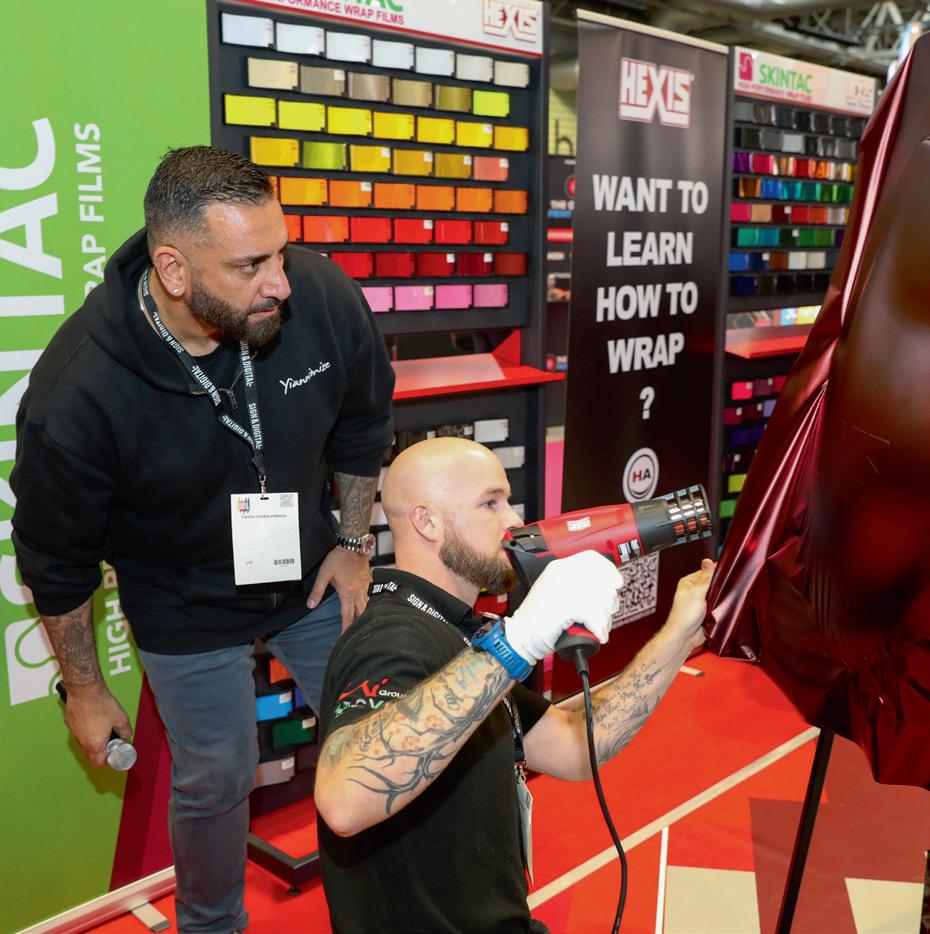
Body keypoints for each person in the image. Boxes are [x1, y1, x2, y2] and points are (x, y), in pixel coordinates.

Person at [11, 146, 395, 933]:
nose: (281, 282)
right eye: (251, 265)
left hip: (310, 572)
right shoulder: (78, 391)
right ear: (174, 270)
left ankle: (398, 906)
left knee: (382, 731)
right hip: (180, 600)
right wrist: (84, 689)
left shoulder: (320, 298)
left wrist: (354, 542)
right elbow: (56, 562)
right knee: (217, 776)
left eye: (280, 252)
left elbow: (363, 423)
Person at [314, 437, 714, 933]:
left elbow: (575, 747)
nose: (514, 520)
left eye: (507, 500)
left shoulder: (460, 632)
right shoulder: (391, 638)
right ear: (426, 521)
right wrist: (517, 643)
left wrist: (678, 636)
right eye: (490, 503)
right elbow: (344, 801)